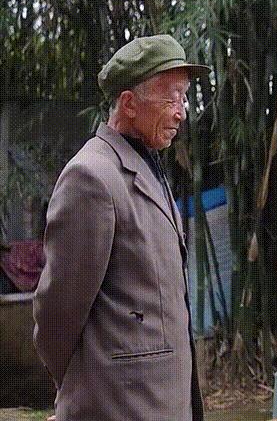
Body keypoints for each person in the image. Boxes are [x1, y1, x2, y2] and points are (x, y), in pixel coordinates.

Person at [33, 34, 210, 420]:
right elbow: (56, 315)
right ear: (129, 103)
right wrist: (81, 388)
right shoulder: (92, 177)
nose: (181, 112)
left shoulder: (147, 164)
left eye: (184, 98)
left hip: (161, 401)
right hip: (119, 406)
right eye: (172, 98)